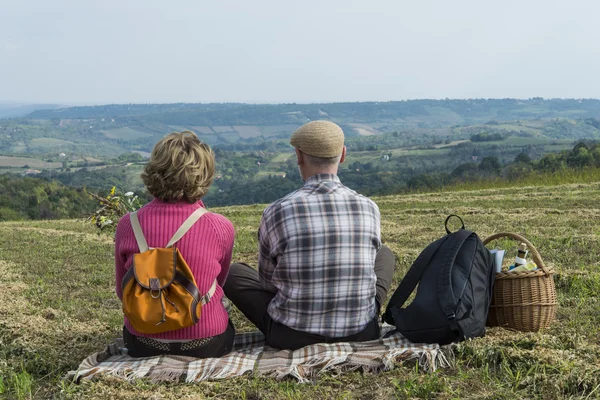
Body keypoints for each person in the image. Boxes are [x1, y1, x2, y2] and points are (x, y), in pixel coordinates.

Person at [224, 121, 395, 350]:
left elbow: (267, 283)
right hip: (362, 331)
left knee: (233, 272)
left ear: (298, 156)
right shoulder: (369, 207)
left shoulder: (277, 211)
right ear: (343, 155)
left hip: (290, 335)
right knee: (385, 254)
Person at [115, 131, 235, 358]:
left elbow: (123, 292)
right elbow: (219, 283)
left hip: (142, 342)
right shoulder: (220, 226)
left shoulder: (128, 224)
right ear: (205, 174)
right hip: (206, 342)